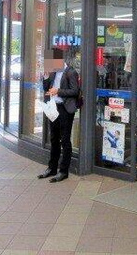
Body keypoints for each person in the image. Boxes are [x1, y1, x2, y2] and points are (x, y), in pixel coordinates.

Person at [38, 49, 80, 183]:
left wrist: (58, 91)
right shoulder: (53, 72)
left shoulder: (71, 72)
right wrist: (45, 77)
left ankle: (63, 171)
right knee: (54, 138)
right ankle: (52, 168)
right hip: (53, 108)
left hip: (65, 109)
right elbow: (46, 88)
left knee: (65, 140)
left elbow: (75, 91)